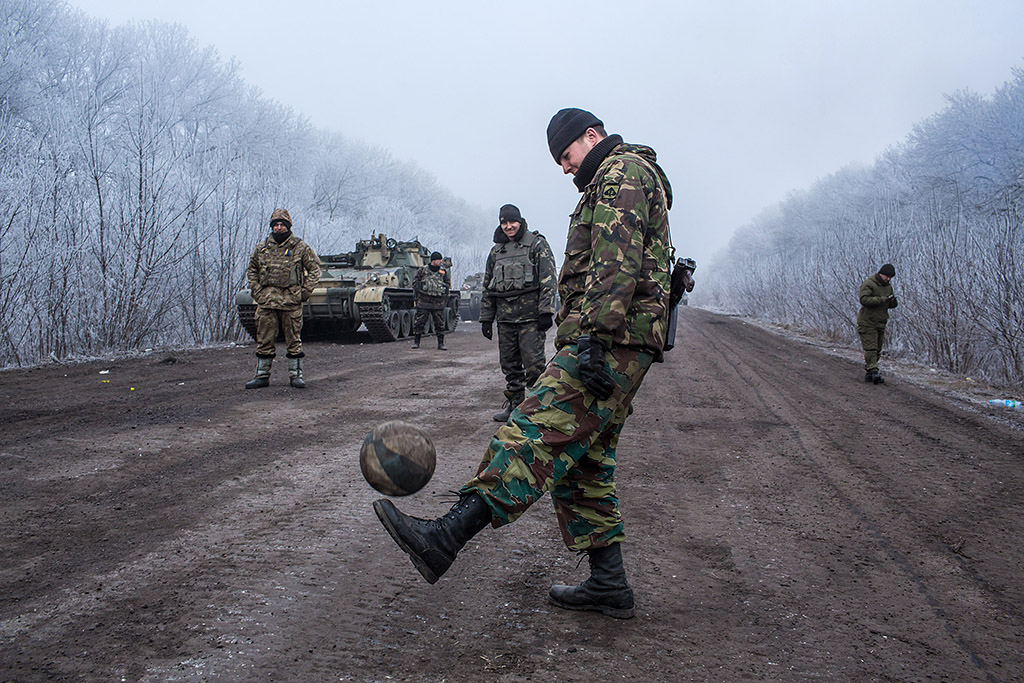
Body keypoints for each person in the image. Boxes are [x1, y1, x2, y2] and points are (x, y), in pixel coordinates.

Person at [373, 108, 673, 619]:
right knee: (583, 463)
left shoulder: (621, 174)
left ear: (592, 136)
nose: (564, 166)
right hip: (619, 340)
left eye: (567, 153)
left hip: (610, 341)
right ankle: (609, 583)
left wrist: (595, 340)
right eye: (558, 160)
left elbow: (615, 264)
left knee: (532, 431)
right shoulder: (615, 178)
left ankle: (446, 536)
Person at [480, 203, 557, 421]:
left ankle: (535, 408)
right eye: (504, 222)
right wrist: (486, 318)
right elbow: (488, 286)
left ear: (520, 221)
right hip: (505, 319)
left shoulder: (536, 244)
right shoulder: (496, 251)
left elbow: (549, 279)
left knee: (534, 365)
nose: (508, 226)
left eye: (512, 222)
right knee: (510, 365)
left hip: (530, 318)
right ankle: (514, 404)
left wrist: (546, 311)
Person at [244, 209, 321, 389]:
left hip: (290, 301)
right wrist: (256, 290)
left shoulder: (299, 247)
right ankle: (262, 375)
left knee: (293, 339)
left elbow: (315, 269)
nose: (279, 228)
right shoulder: (262, 248)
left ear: (288, 226)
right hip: (267, 301)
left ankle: (296, 375)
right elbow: (252, 269)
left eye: (282, 225)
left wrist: (304, 292)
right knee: (264, 339)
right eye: (276, 225)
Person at [857, 263, 898, 384]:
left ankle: (870, 373)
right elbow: (863, 300)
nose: (889, 279)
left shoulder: (888, 287)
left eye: (891, 277)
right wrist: (881, 299)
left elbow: (889, 304)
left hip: (881, 321)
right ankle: (873, 370)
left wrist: (892, 302)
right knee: (871, 348)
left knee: (877, 349)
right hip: (867, 321)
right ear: (881, 274)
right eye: (887, 276)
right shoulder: (869, 284)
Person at [412, 251, 451, 350]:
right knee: (419, 322)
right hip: (425, 301)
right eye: (439, 259)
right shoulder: (423, 270)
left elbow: (447, 283)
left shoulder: (443, 271)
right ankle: (416, 342)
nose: (441, 261)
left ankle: (441, 343)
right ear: (434, 260)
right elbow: (415, 283)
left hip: (438, 302)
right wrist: (421, 290)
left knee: (439, 324)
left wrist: (444, 292)